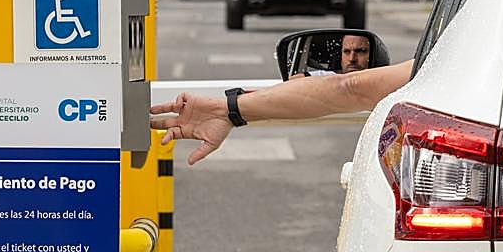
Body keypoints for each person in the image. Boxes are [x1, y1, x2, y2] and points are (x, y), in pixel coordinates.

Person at [150, 59, 415, 165]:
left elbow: (349, 88)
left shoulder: (447, 55)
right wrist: (229, 109)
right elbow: (349, 88)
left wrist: (230, 109)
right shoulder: (452, 60)